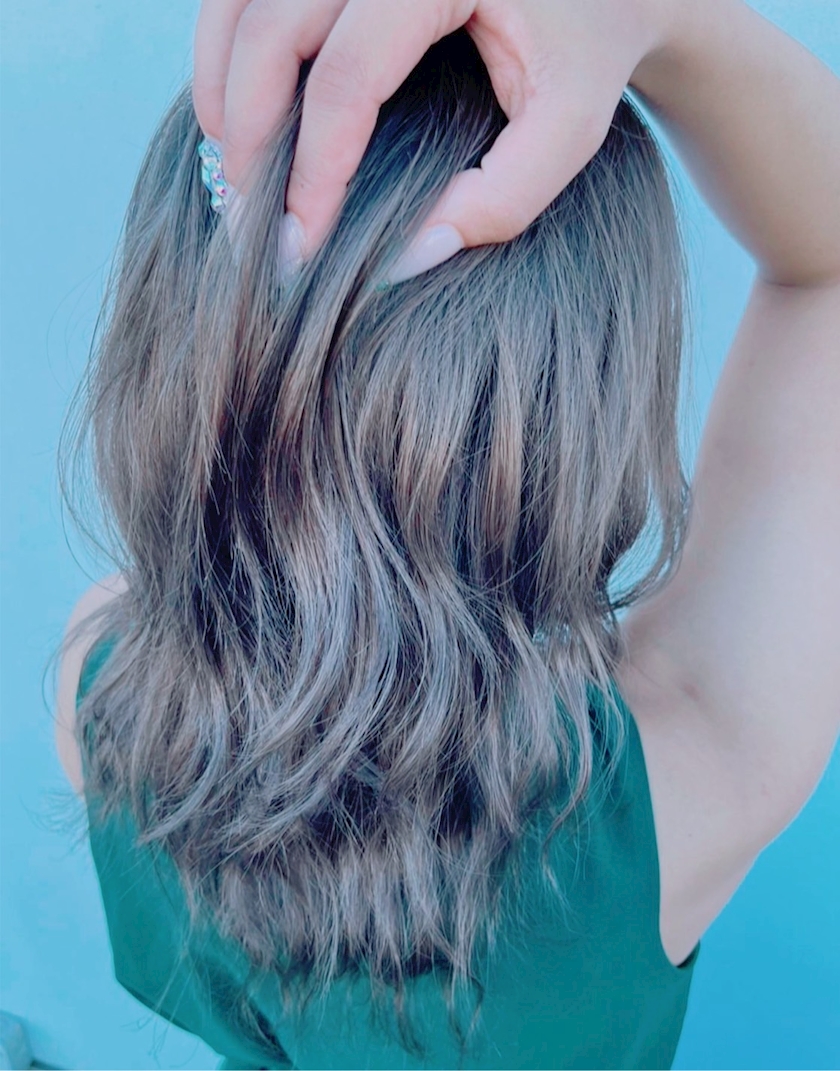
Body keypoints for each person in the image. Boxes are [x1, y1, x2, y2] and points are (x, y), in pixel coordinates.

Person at [55, 1, 840, 1068]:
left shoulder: (98, 688)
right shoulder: (689, 774)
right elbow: (826, 265)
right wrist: (656, 18)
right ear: (571, 425)